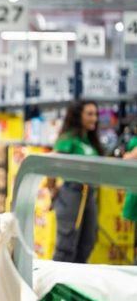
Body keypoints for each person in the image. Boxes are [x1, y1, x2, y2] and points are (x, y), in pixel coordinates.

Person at [48, 100, 103, 263]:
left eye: (96, 114)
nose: (94, 118)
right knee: (66, 245)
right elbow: (52, 164)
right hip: (72, 193)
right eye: (90, 114)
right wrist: (52, 190)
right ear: (78, 116)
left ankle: (74, 282)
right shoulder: (68, 139)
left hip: (90, 195)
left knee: (87, 242)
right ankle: (58, 284)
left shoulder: (91, 142)